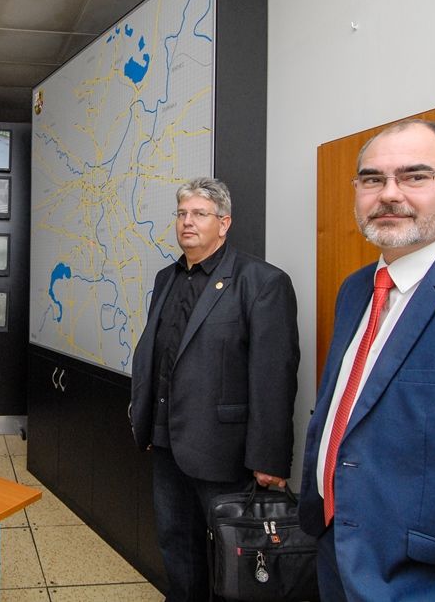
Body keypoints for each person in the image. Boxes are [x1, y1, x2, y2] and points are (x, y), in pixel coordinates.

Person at [298, 119, 435, 600]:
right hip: (339, 558)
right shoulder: (356, 289)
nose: (388, 194)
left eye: (415, 176)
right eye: (372, 179)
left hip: (433, 585)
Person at [130, 176, 300, 601]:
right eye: (182, 214)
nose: (187, 222)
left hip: (223, 451)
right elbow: (159, 356)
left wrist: (269, 459)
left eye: (199, 214)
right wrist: (147, 419)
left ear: (224, 223)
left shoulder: (261, 282)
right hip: (167, 444)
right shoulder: (166, 279)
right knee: (176, 545)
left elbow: (274, 376)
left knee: (232, 557)